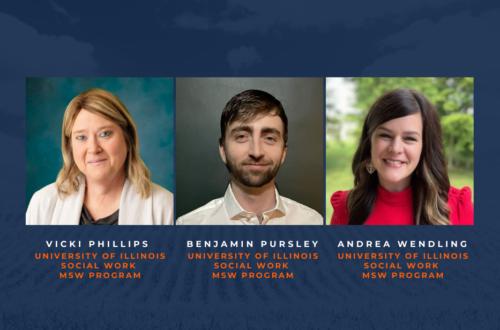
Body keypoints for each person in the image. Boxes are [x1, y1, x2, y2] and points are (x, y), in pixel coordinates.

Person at [26, 88, 173, 225]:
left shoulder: (164, 206)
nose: (94, 148)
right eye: (81, 137)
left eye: (105, 134)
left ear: (128, 138)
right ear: (70, 146)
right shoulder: (43, 204)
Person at [176, 89, 323, 225]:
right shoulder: (187, 226)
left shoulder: (314, 222)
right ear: (223, 150)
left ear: (283, 152)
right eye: (241, 136)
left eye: (269, 138)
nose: (256, 152)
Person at [330, 88, 473, 225]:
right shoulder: (346, 207)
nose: (395, 148)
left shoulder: (458, 206)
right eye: (385, 135)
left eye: (409, 138)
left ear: (424, 147)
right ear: (369, 142)